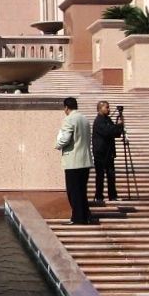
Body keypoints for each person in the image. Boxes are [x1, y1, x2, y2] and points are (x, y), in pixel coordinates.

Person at [55, 96, 93, 224]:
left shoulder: (69, 119)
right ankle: (85, 215)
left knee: (73, 191)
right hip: (85, 160)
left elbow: (66, 138)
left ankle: (77, 218)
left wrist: (57, 144)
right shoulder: (84, 119)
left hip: (73, 161)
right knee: (82, 190)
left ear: (66, 107)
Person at [91, 100, 125, 205]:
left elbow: (114, 132)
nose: (109, 109)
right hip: (100, 153)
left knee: (111, 175)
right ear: (100, 109)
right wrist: (118, 126)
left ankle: (113, 195)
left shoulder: (107, 119)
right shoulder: (98, 121)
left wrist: (119, 127)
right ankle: (99, 196)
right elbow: (108, 131)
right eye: (106, 107)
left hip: (108, 152)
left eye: (109, 107)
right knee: (100, 175)